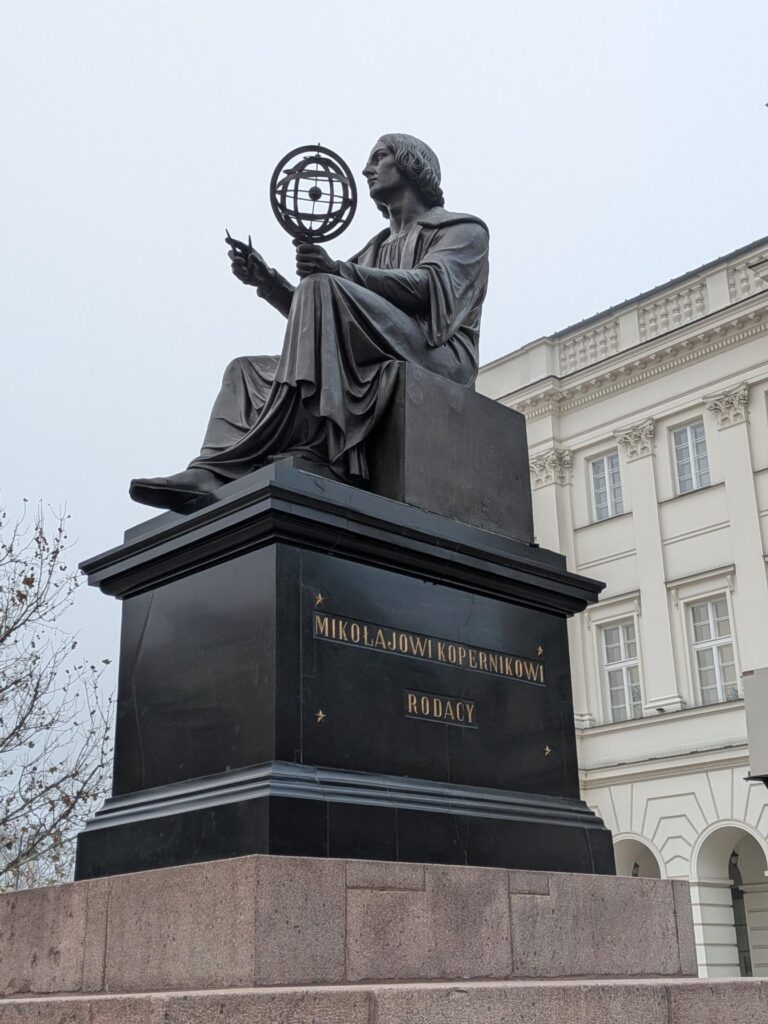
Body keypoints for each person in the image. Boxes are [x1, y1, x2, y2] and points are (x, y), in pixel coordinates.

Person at [130, 134, 490, 511]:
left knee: (321, 286)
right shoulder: (373, 249)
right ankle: (211, 470)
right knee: (244, 372)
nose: (367, 169)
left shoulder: (462, 230)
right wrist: (269, 283)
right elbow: (317, 320)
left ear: (412, 165)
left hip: (437, 355)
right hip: (376, 351)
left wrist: (337, 271)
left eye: (379, 157)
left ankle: (323, 453)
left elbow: (430, 288)